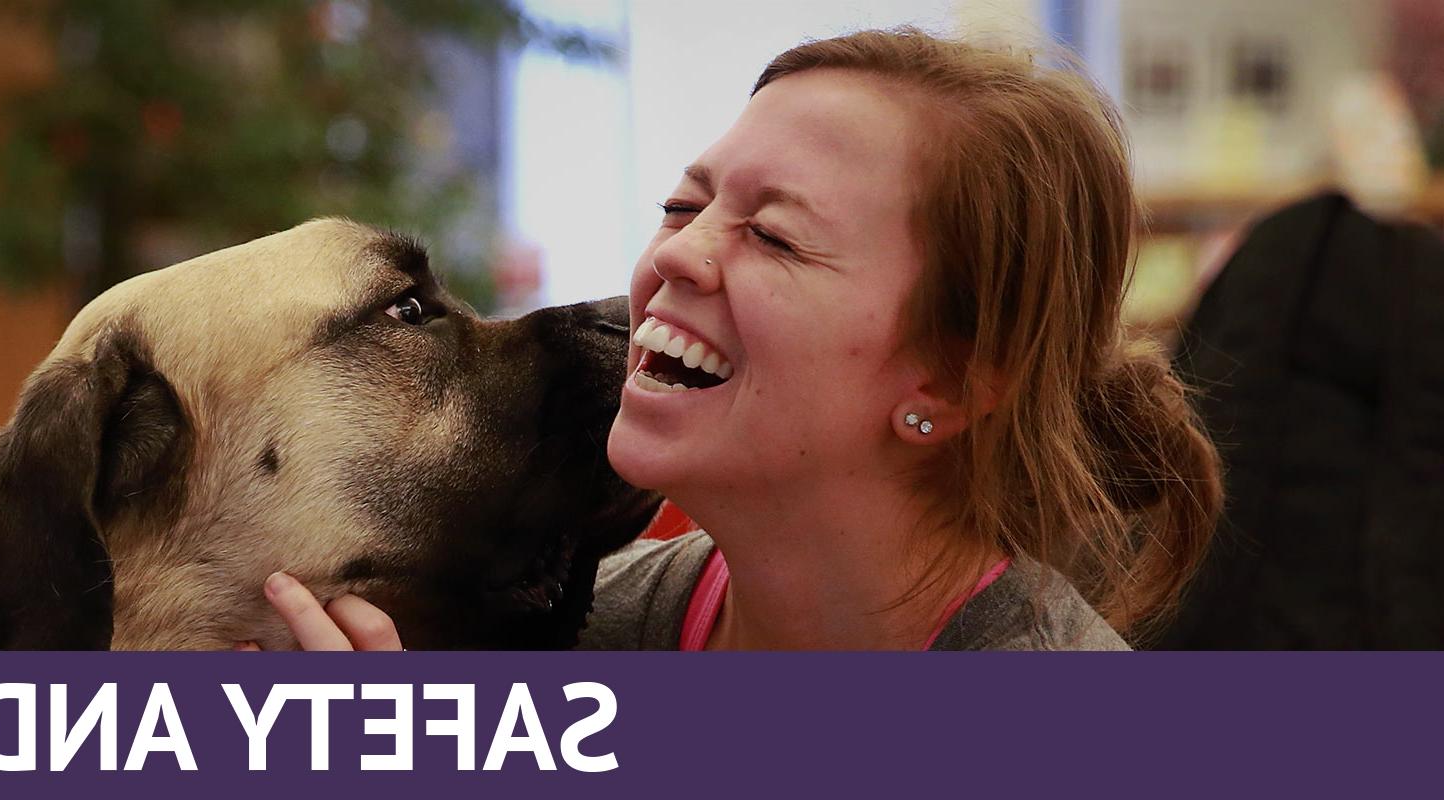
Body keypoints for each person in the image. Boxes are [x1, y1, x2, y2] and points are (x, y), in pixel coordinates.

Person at [258, 28, 1223, 651]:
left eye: (774, 235)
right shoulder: (584, 632)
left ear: (955, 381)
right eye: (683, 205)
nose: (680, 255)